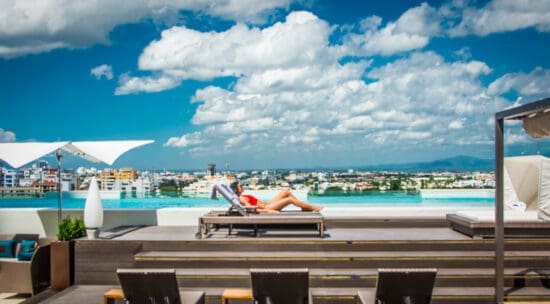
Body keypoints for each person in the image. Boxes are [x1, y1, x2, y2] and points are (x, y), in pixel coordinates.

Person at [229, 181, 323, 213]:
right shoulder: (241, 199)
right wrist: (268, 211)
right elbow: (252, 210)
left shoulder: (243, 196)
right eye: (240, 186)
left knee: (286, 192)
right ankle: (311, 207)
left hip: (268, 204)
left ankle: (304, 208)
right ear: (236, 190)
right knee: (289, 199)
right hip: (268, 207)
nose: (242, 187)